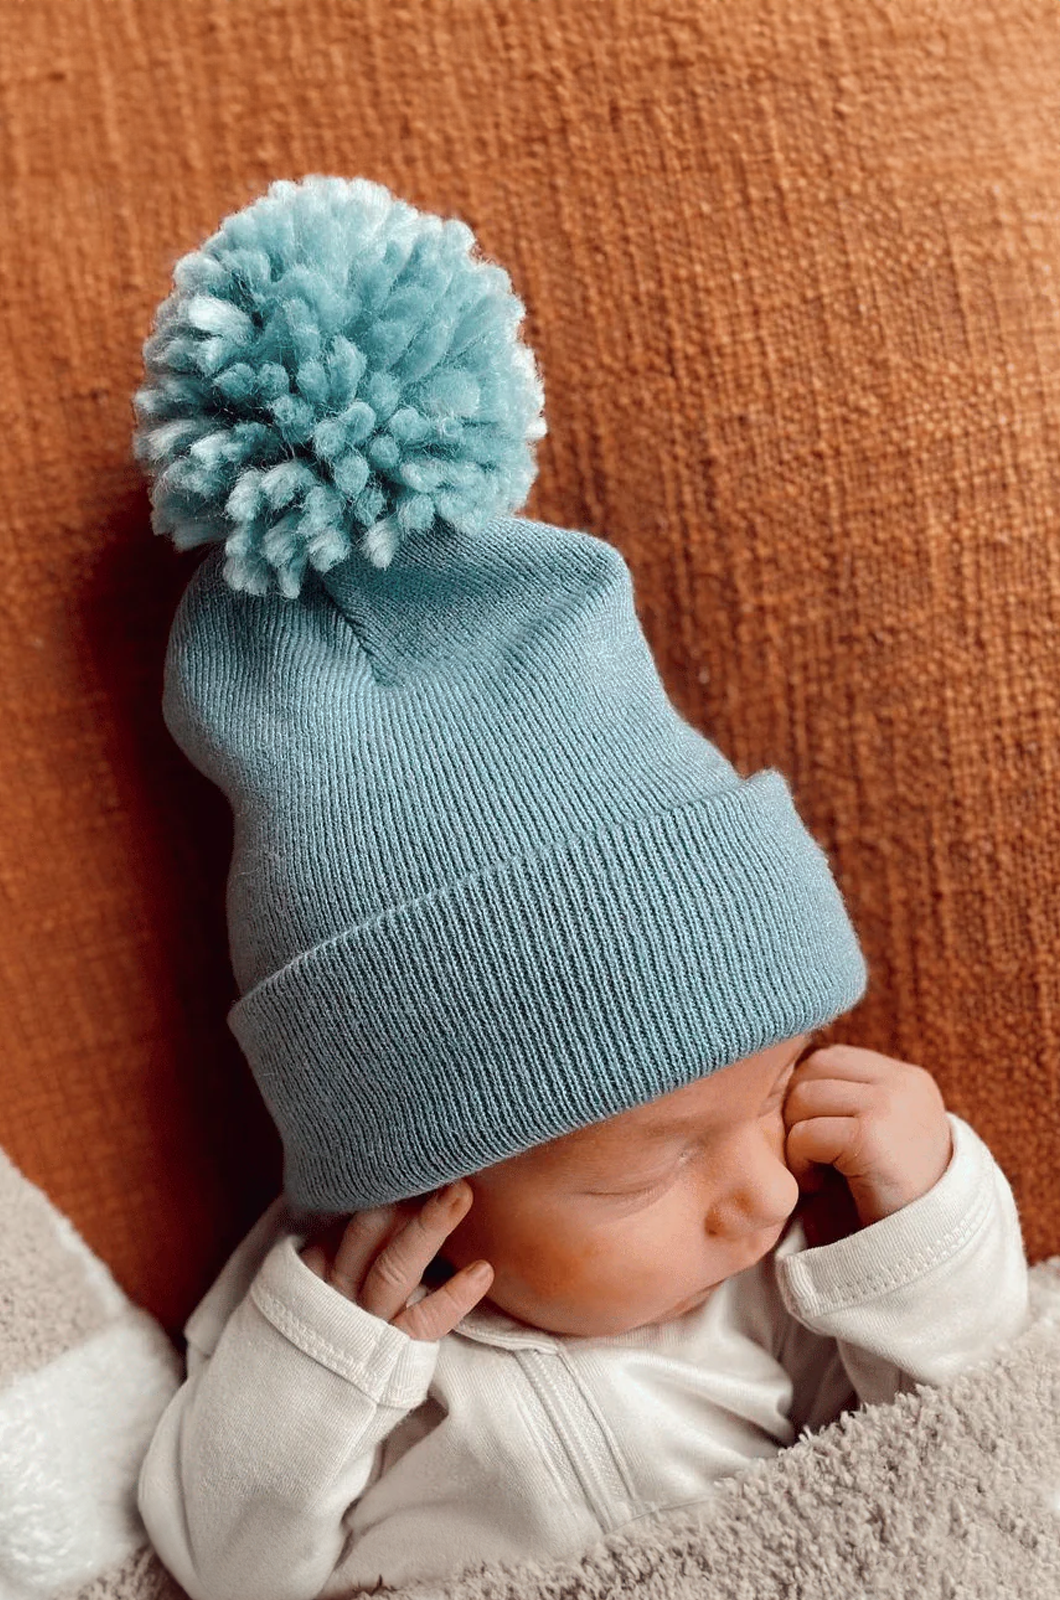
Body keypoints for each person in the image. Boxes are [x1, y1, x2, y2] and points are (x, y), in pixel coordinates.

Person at [129, 175, 1030, 1600]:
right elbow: (222, 1558)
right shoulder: (343, 1345)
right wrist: (328, 1358)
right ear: (421, 1182)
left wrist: (926, 1214)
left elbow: (977, 1414)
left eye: (770, 1095)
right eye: (657, 1161)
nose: (753, 1192)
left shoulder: (770, 1294)